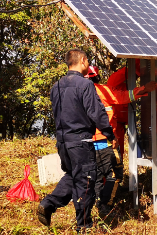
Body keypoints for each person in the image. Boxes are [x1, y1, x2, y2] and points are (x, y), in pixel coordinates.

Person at [36, 49, 116, 231]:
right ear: (83, 60)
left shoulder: (56, 87)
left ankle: (48, 204)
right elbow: (96, 113)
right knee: (86, 182)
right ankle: (84, 227)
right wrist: (110, 134)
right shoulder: (85, 85)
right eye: (87, 61)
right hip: (81, 142)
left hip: (63, 142)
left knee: (73, 175)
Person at [84, 65, 157, 215]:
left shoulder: (74, 93)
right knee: (115, 173)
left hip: (85, 143)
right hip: (105, 141)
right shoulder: (103, 90)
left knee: (96, 175)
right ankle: (104, 205)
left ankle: (96, 203)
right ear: (96, 77)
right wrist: (144, 88)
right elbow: (125, 96)